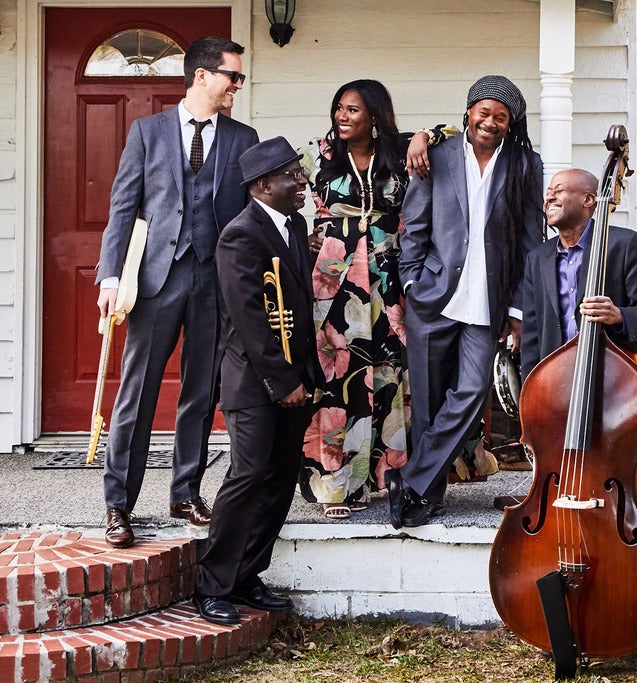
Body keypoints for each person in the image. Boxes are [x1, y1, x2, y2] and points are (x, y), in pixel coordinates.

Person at [94, 36, 259, 549]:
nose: (238, 85)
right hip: (156, 280)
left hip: (215, 280)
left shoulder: (244, 137)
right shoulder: (148, 132)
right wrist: (110, 276)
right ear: (203, 75)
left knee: (200, 393)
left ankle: (185, 493)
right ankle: (118, 504)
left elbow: (252, 213)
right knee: (137, 392)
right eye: (233, 75)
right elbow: (123, 207)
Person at [519, 167, 637, 668]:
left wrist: (620, 316)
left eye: (559, 191)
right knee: (562, 501)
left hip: (617, 396)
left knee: (634, 510)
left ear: (590, 199)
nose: (549, 197)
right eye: (548, 193)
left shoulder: (626, 246)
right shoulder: (539, 258)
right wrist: (532, 398)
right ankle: (566, 619)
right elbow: (533, 337)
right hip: (558, 401)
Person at [392, 75, 544, 529]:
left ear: (511, 123)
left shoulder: (524, 164)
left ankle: (411, 479)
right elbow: (414, 226)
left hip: (486, 304)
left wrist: (516, 309)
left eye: (501, 117)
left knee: (472, 392)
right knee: (428, 402)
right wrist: (412, 282)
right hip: (433, 298)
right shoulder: (436, 156)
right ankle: (428, 495)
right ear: (469, 112)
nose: (491, 122)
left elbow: (529, 241)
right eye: (484, 112)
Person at [297, 80, 447, 519]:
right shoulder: (317, 154)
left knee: (389, 370)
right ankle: (337, 484)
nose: (342, 117)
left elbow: (456, 131)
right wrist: (302, 237)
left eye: (353, 110)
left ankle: (388, 475)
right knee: (338, 373)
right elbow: (273, 193)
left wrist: (425, 136)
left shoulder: (401, 153)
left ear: (376, 116)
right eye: (339, 108)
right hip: (333, 278)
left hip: (389, 275)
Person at [191, 137, 323, 626]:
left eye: (301, 172)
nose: (302, 181)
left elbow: (297, 305)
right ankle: (212, 585)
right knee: (247, 476)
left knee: (281, 476)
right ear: (263, 185)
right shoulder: (240, 235)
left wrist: (305, 375)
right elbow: (248, 318)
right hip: (253, 380)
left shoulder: (294, 226)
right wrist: (282, 381)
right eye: (292, 175)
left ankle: (247, 575)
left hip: (293, 376)